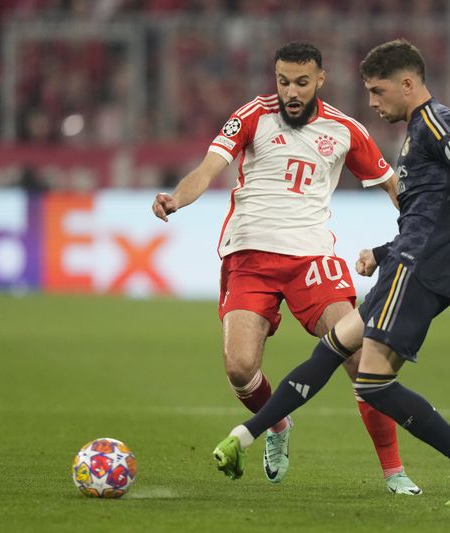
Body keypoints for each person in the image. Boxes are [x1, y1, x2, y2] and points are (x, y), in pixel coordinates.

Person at [212, 39, 450, 507]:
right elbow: (433, 213)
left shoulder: (438, 126)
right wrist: (384, 252)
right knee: (331, 349)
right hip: (405, 264)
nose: (371, 101)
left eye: (378, 91)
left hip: (420, 271)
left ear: (408, 84)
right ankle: (243, 437)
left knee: (372, 382)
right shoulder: (419, 134)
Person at [152, 42, 422, 494]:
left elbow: (392, 185)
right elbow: (207, 169)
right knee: (240, 369)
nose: (290, 92)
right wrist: (176, 198)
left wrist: (422, 228)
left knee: (361, 357)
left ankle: (394, 472)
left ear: (320, 79)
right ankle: (277, 426)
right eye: (283, 82)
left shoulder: (345, 130)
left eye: (301, 82)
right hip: (249, 258)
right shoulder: (252, 116)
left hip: (312, 260)